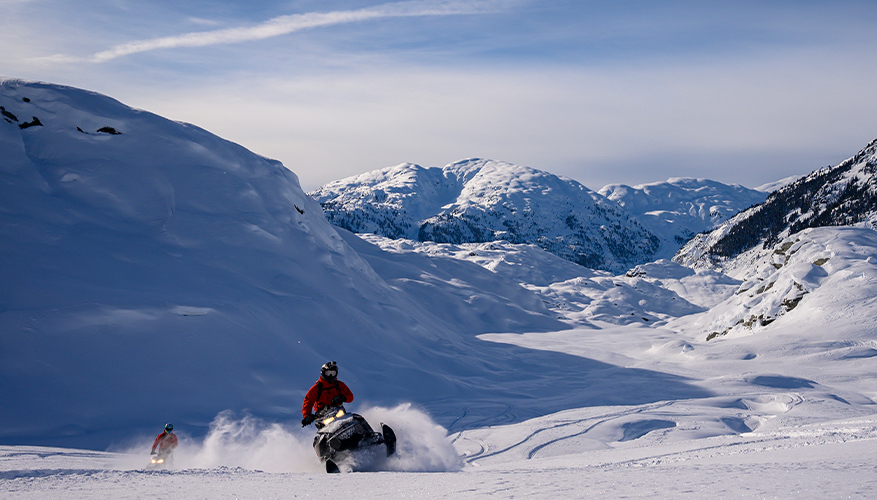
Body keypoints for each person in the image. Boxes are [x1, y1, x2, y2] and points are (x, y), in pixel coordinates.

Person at [301, 361, 354, 427]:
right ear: (323, 373)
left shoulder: (339, 385)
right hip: (323, 417)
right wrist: (307, 416)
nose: (331, 376)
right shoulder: (317, 388)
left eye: (333, 373)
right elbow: (308, 401)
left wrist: (342, 397)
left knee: (354, 420)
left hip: (338, 413)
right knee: (324, 433)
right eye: (328, 373)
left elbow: (350, 397)